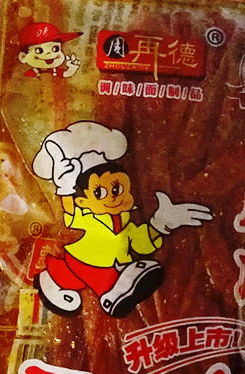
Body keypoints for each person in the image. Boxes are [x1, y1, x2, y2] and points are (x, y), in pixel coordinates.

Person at [31, 121, 212, 318]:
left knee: (113, 274)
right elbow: (70, 212)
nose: (113, 197)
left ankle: (122, 285)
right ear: (82, 200)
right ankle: (107, 295)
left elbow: (139, 243)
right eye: (100, 192)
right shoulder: (86, 217)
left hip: (114, 265)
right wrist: (65, 187)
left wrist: (160, 223)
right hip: (84, 260)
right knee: (94, 277)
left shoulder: (125, 221)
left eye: (117, 189)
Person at [17, 21, 82, 78]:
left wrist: (72, 68)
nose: (49, 54)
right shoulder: (30, 73)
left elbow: (66, 74)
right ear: (23, 56)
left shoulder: (54, 70)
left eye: (55, 49)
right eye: (39, 51)